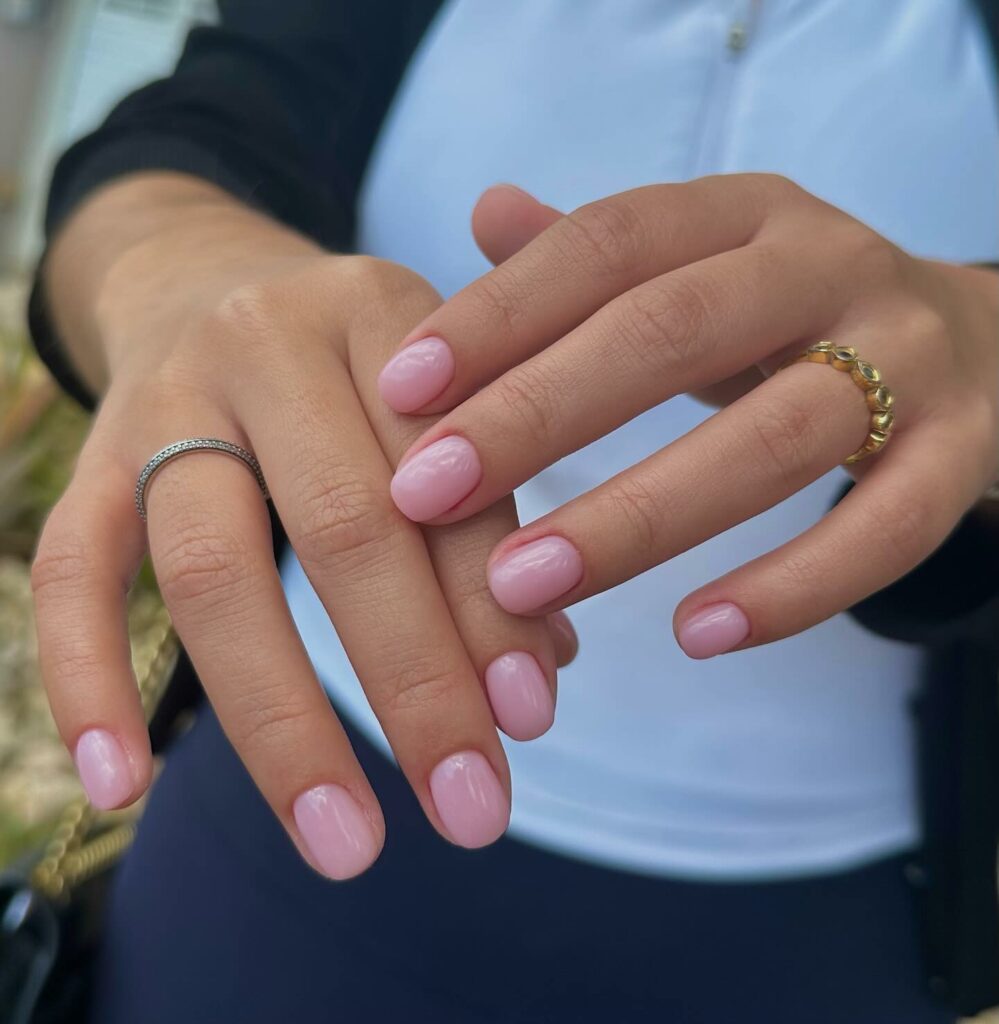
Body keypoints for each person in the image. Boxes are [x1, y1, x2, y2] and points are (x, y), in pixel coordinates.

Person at [25, 1, 999, 1021]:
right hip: (305, 788)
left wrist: (979, 339)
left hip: (840, 902)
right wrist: (181, 274)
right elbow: (178, 135)